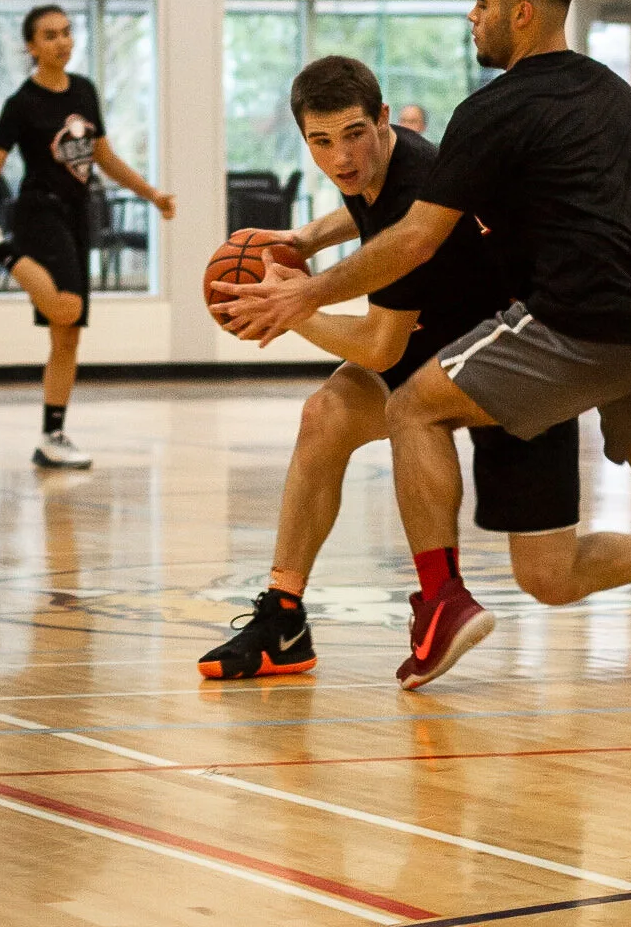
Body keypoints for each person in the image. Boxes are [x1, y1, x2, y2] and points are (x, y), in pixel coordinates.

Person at [217, 0, 631, 691]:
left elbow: (407, 259)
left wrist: (299, 298)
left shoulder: (488, 115)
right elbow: (379, 214)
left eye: (480, 1)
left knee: (416, 415)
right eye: (324, 141)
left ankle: (443, 601)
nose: (471, 16)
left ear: (519, 12)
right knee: (626, 474)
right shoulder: (612, 93)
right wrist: (305, 237)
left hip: (550, 335)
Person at [200, 54, 587, 680]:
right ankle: (285, 617)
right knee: (324, 415)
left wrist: (291, 309)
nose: (340, 158)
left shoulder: (414, 186)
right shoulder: (387, 158)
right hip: (435, 340)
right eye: (320, 142)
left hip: (511, 359)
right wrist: (303, 241)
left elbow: (380, 346)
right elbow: (360, 209)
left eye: (353, 134)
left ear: (382, 119)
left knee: (551, 575)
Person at [0, 3, 176, 468]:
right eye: (50, 36)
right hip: (38, 213)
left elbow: (104, 157)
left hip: (76, 216)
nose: (62, 42)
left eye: (67, 33)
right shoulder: (21, 104)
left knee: (66, 338)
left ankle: (52, 437)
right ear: (31, 46)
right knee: (69, 306)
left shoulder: (84, 91)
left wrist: (152, 194)